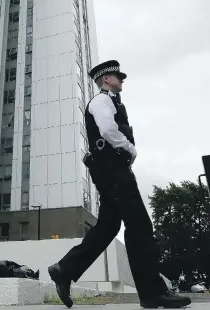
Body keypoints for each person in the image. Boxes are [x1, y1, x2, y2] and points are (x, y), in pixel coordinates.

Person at [48, 60, 191, 309]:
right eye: (118, 76)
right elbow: (108, 130)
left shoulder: (111, 102)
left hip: (110, 171)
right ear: (106, 79)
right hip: (113, 171)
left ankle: (65, 269)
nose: (122, 80)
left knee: (108, 226)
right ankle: (152, 292)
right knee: (140, 226)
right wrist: (130, 148)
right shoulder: (101, 101)